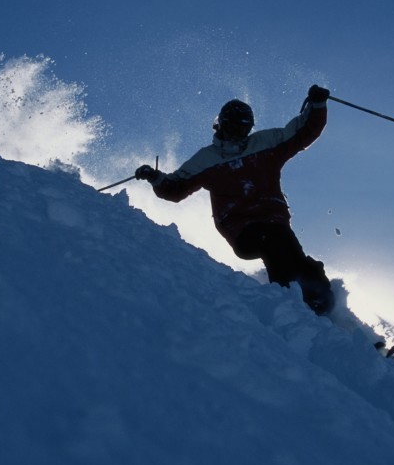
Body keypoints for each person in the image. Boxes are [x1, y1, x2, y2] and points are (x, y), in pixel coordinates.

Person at [135, 84, 334, 314]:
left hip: (274, 221)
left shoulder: (266, 144)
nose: (235, 136)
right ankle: (292, 304)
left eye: (242, 130)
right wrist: (155, 177)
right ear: (219, 125)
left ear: (249, 129)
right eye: (230, 128)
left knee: (296, 256)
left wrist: (318, 104)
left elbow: (303, 132)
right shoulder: (206, 160)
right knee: (275, 243)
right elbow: (175, 189)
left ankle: (327, 309)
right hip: (241, 229)